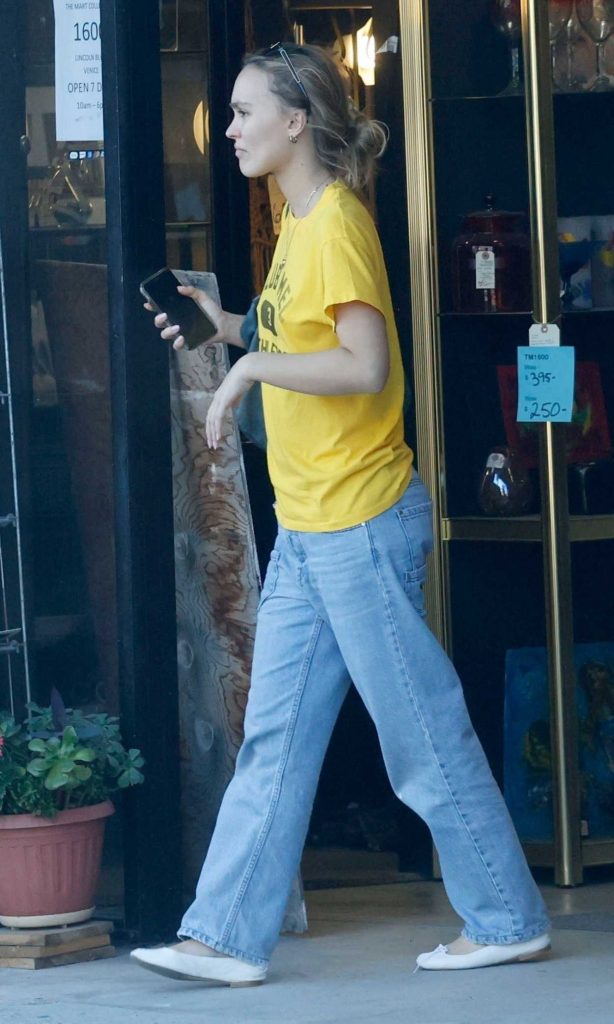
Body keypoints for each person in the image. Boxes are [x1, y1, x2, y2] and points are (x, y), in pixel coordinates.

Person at [131, 42, 551, 987]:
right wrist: (228, 322)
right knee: (274, 738)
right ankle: (226, 935)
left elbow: (363, 366)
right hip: (315, 530)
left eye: (243, 112)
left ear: (295, 121)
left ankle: (507, 915)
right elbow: (301, 336)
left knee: (421, 735)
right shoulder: (298, 224)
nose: (229, 129)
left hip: (359, 525)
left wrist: (246, 369)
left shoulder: (337, 226)